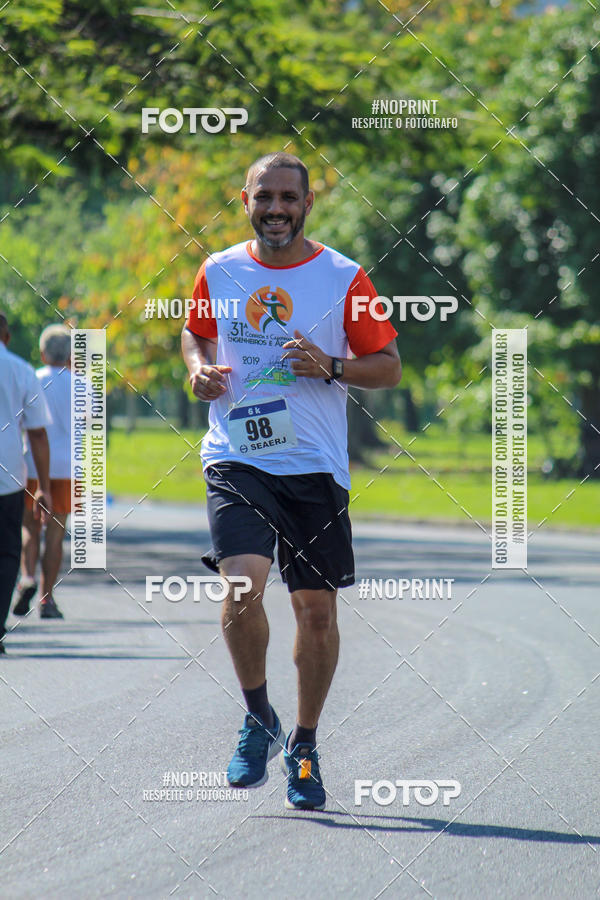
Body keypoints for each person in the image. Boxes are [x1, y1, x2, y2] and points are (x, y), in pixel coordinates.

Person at [181, 152, 401, 810]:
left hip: (315, 466)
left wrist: (331, 365)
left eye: (288, 197)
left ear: (307, 203)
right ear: (242, 198)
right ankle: (257, 719)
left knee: (316, 611)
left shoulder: (343, 276)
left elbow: (387, 366)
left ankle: (303, 745)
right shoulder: (218, 269)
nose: (275, 207)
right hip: (237, 456)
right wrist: (198, 371)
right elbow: (195, 334)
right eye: (263, 196)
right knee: (242, 583)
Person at [0, 313, 52, 654]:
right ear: (5, 334)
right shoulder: (21, 370)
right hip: (8, 478)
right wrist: (43, 484)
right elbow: (36, 432)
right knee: (6, 554)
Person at [13, 324, 72, 619]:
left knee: (30, 527)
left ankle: (28, 578)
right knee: (56, 534)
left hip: (34, 465)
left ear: (42, 352)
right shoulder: (84, 385)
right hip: (68, 468)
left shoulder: (33, 378)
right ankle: (48, 599)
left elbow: (23, 422)